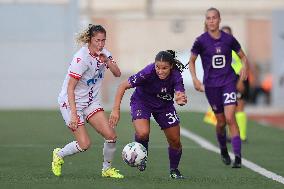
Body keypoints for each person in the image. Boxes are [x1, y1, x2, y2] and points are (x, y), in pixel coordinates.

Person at [52, 24, 124, 178]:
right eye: (97, 40)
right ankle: (59, 155)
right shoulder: (81, 59)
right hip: (71, 102)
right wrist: (73, 115)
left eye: (103, 40)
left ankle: (106, 170)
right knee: (85, 144)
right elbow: (70, 88)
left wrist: (108, 61)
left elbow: (118, 73)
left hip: (90, 102)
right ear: (90, 40)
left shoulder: (105, 53)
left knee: (111, 135)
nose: (101, 44)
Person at [109, 50, 187, 179]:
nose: (160, 71)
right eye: (158, 67)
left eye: (164, 68)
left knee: (175, 141)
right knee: (142, 133)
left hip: (164, 106)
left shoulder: (176, 75)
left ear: (171, 66)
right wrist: (115, 109)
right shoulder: (147, 72)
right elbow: (122, 86)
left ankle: (174, 169)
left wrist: (181, 99)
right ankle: (141, 156)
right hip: (142, 102)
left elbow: (180, 95)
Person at [188, 7, 249, 168]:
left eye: (214, 17)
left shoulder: (229, 39)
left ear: (219, 19)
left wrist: (244, 67)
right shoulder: (201, 41)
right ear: (206, 21)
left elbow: (243, 56)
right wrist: (195, 79)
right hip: (211, 86)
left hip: (228, 82)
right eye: (208, 18)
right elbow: (192, 60)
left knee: (230, 118)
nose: (211, 20)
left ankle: (237, 157)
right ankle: (223, 149)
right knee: (221, 122)